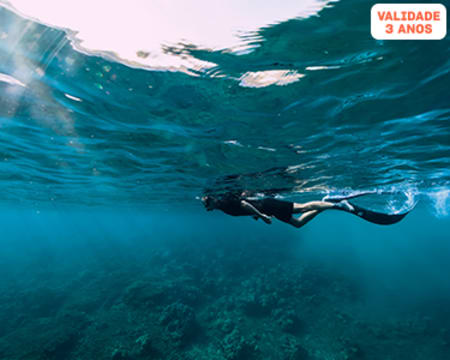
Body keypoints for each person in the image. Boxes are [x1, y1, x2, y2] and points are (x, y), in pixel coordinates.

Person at [201, 191, 411, 228]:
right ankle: (330, 204)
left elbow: (245, 204)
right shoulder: (222, 206)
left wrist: (261, 215)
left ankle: (337, 205)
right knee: (298, 223)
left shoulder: (224, 202)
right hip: (267, 209)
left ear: (212, 200)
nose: (207, 209)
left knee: (303, 206)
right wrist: (257, 216)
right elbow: (245, 208)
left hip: (268, 207)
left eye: (206, 204)